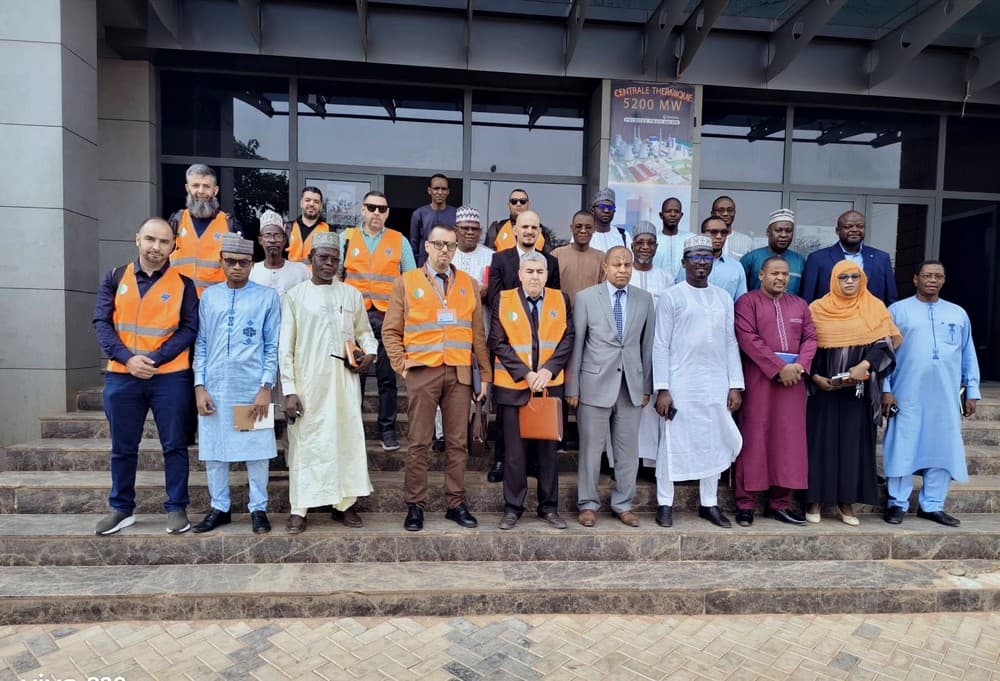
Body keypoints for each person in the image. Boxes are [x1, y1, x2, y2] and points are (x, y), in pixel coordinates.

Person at [92, 218, 199, 535]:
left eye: (164, 242)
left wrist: (153, 358)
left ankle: (177, 507)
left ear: (173, 246)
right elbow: (101, 322)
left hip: (170, 377)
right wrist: (127, 358)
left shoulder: (184, 284)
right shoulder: (115, 277)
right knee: (123, 447)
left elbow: (189, 329)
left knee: (175, 446)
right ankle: (121, 508)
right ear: (137, 238)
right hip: (122, 376)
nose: (156, 247)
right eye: (151, 239)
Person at [382, 225, 492, 532]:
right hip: (422, 371)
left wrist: (485, 375)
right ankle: (415, 504)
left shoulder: (468, 285)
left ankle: (455, 503)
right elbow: (391, 331)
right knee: (419, 442)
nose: (445, 251)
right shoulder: (406, 282)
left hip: (459, 373)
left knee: (457, 443)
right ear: (427, 247)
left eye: (450, 246)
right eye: (439, 244)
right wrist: (401, 365)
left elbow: (478, 336)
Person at [279, 232, 378, 534]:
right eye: (323, 258)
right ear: (310, 259)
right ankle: (300, 508)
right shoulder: (295, 296)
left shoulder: (351, 295)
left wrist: (370, 353)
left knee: (345, 441)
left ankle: (344, 505)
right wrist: (290, 390)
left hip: (344, 383)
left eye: (335, 259)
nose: (329, 264)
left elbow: (365, 333)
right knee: (306, 445)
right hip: (308, 384)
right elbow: (285, 347)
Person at [192, 234, 281, 534]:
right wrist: (199, 385)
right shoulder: (209, 297)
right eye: (230, 262)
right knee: (215, 451)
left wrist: (265, 386)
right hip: (215, 387)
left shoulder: (266, 297)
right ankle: (220, 507)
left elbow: (272, 345)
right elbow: (201, 344)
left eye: (244, 262)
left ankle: (259, 508)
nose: (237, 268)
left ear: (251, 264)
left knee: (256, 452)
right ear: (221, 261)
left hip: (250, 387)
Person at [654, 235, 744, 528]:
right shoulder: (672, 296)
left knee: (713, 441)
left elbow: (731, 342)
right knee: (672, 443)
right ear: (684, 262)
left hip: (715, 382)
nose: (702, 262)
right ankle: (664, 502)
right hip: (681, 383)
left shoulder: (722, 297)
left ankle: (709, 503)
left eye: (707, 257)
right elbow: (660, 345)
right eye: (695, 257)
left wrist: (735, 384)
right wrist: (663, 388)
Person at [881, 261, 979, 527]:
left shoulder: (958, 314)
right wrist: (886, 389)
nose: (932, 280)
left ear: (944, 280)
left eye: (938, 276)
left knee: (942, 448)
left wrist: (972, 390)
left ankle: (932, 505)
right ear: (915, 279)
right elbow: (885, 355)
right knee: (902, 445)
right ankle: (896, 504)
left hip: (945, 396)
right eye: (927, 276)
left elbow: (968, 354)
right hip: (907, 392)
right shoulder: (897, 311)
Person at [805, 260, 901, 526]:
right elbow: (807, 345)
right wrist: (814, 376)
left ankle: (846, 503)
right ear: (834, 280)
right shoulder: (817, 309)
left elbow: (884, 343)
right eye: (843, 277)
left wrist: (864, 365)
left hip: (858, 391)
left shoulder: (874, 307)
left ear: (863, 280)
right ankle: (815, 499)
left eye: (854, 277)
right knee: (820, 444)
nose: (849, 281)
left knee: (852, 445)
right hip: (823, 388)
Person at [566, 246, 654, 528]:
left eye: (627, 265)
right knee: (591, 449)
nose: (623, 270)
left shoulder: (644, 299)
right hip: (593, 383)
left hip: (631, 385)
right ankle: (588, 504)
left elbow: (647, 346)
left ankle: (623, 504)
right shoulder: (586, 298)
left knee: (628, 450)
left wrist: (646, 387)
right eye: (617, 264)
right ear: (604, 267)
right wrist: (573, 387)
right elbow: (577, 345)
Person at [489, 252, 574, 530]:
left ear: (547, 275)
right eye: (530, 271)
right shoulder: (504, 299)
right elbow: (497, 342)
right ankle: (513, 508)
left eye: (540, 271)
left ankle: (549, 508)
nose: (535, 276)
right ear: (520, 274)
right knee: (514, 454)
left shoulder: (561, 300)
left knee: (548, 453)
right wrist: (526, 373)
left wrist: (548, 369)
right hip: (514, 388)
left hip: (548, 389)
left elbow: (567, 338)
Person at [733, 256, 817, 526]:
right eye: (774, 273)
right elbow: (748, 338)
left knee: (789, 441)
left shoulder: (800, 304)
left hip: (793, 383)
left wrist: (800, 366)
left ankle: (779, 503)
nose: (780, 278)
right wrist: (779, 367)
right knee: (754, 436)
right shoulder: (747, 302)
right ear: (761, 275)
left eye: (785, 274)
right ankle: (745, 503)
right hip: (760, 378)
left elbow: (810, 338)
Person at [485, 210, 561, 482]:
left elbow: (553, 308)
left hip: (543, 362)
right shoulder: (500, 259)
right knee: (507, 425)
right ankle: (500, 462)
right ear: (514, 229)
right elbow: (495, 298)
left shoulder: (550, 263)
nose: (529, 231)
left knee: (538, 424)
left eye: (535, 227)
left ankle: (532, 467)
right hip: (511, 353)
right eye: (525, 226)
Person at [341, 191, 416, 452]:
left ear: (387, 213)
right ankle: (353, 430)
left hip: (387, 317)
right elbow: (337, 276)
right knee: (355, 376)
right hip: (354, 317)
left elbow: (411, 279)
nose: (376, 213)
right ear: (362, 210)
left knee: (387, 377)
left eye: (382, 209)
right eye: (371, 207)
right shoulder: (346, 239)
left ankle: (387, 430)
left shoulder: (399, 241)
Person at [628, 220, 674, 474]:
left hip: (657, 348)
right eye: (640, 242)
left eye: (650, 243)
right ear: (631, 245)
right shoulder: (624, 273)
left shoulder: (666, 278)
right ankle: (623, 463)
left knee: (653, 406)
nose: (645, 247)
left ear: (656, 247)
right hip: (628, 349)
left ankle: (650, 463)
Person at [168, 163, 241, 294]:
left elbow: (239, 265)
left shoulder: (229, 223)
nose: (201, 191)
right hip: (179, 300)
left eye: (206, 186)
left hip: (216, 302)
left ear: (215, 190)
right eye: (195, 185)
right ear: (187, 188)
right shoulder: (176, 220)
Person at [800, 210, 897, 306]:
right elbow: (807, 299)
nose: (855, 229)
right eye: (848, 226)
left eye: (860, 226)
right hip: (831, 319)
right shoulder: (817, 259)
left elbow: (891, 301)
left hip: (872, 320)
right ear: (837, 231)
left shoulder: (881, 259)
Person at [675, 216, 747, 301]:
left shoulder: (736, 267)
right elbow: (679, 294)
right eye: (714, 232)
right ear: (702, 234)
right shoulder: (690, 264)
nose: (719, 236)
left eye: (723, 232)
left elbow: (741, 302)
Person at [740, 208, 806, 297]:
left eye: (788, 231)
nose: (783, 235)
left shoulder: (800, 261)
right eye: (778, 230)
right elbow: (742, 292)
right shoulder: (750, 259)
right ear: (768, 232)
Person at [250, 210, 310, 297]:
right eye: (267, 236)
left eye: (277, 236)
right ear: (260, 240)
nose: (272, 240)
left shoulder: (301, 271)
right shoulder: (252, 271)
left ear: (284, 240)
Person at [551, 209, 605, 306]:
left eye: (588, 227)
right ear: (572, 227)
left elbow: (605, 292)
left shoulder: (601, 258)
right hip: (562, 314)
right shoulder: (557, 254)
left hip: (591, 315)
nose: (583, 230)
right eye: (578, 226)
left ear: (594, 229)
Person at [486, 188, 554, 254]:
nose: (518, 204)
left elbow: (548, 259)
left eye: (523, 201)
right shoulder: (497, 228)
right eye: (514, 201)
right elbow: (488, 257)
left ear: (528, 204)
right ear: (508, 205)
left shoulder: (541, 230)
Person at [410, 173, 458, 267]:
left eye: (443, 189)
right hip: (424, 266)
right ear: (429, 190)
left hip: (450, 265)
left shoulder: (456, 214)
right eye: (436, 188)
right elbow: (413, 246)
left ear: (448, 191)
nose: (440, 192)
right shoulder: (418, 214)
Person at [451, 205, 494, 297]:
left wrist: (488, 288)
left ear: (480, 232)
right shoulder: (447, 254)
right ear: (455, 230)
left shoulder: (491, 256)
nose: (470, 232)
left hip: (482, 309)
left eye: (474, 229)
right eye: (465, 228)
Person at [285, 186, 332, 266]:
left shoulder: (328, 230)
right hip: (291, 276)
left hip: (315, 277)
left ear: (321, 206)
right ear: (301, 203)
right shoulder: (288, 227)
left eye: (316, 202)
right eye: (307, 200)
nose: (311, 204)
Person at [653, 197, 694, 274]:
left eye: (676, 211)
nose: (673, 214)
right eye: (668, 211)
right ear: (661, 215)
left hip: (685, 285)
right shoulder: (652, 239)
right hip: (657, 284)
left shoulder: (691, 239)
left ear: (681, 215)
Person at [589, 188, 632, 253]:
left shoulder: (623, 235)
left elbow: (630, 260)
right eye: (602, 206)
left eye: (610, 207)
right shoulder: (585, 234)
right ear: (593, 210)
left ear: (614, 211)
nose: (606, 210)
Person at [712, 195, 753, 261]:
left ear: (734, 213)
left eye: (730, 210)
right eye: (720, 210)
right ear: (712, 213)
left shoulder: (746, 242)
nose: (725, 214)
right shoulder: (704, 239)